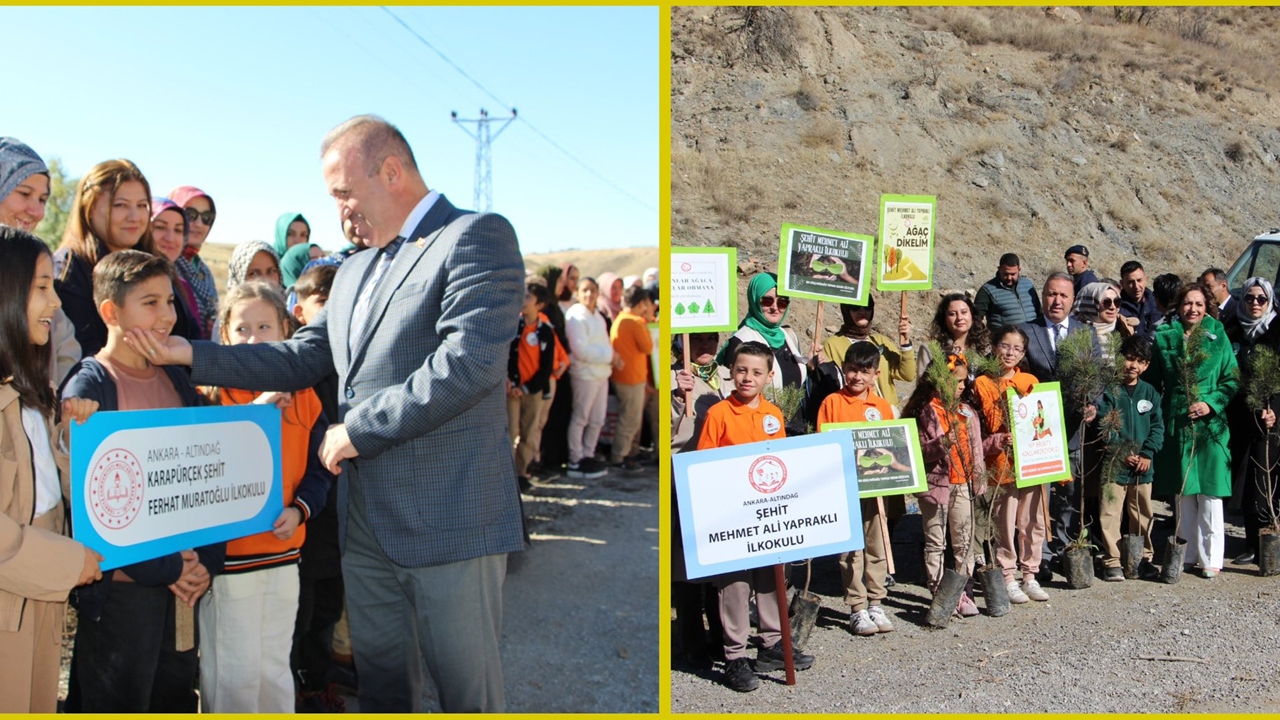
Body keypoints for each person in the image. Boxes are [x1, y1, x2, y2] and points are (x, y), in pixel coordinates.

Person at [131, 115, 524, 712]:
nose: (340, 211)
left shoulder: (474, 237)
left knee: (467, 694)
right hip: (366, 526)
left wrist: (356, 431)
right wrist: (187, 352)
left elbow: (466, 364)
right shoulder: (357, 269)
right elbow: (300, 357)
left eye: (344, 192)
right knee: (384, 686)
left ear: (391, 171)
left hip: (452, 520)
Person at [60, 251, 224, 712]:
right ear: (110, 311)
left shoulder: (178, 379)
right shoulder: (89, 389)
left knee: (172, 697)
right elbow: (97, 509)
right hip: (125, 593)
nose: (167, 315)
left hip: (184, 588)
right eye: (149, 302)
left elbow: (207, 474)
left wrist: (205, 563)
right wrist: (172, 568)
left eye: (170, 301)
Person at [198, 282, 333, 713]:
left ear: (286, 333)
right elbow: (207, 467)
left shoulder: (307, 397)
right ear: (224, 335)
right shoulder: (210, 396)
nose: (253, 340)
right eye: (242, 329)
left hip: (284, 554)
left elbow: (319, 470)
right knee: (233, 672)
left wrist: (300, 511)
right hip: (229, 562)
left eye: (264, 328)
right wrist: (256, 411)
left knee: (274, 667)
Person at [0, 226, 102, 713]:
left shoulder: (30, 391)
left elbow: (41, 487)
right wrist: (67, 562)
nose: (56, 304)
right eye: (41, 287)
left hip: (39, 591)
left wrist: (66, 438)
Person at [697, 341, 814, 692]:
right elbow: (703, 466)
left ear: (769, 376)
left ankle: (771, 644)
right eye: (741, 370)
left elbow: (777, 463)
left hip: (766, 515)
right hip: (732, 516)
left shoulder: (773, 416)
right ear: (731, 371)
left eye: (756, 372)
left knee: (770, 577)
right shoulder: (719, 413)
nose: (748, 377)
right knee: (734, 585)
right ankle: (734, 655)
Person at [286, 262, 349, 711]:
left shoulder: (354, 356)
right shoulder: (294, 365)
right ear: (300, 310)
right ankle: (297, 687)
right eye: (323, 303)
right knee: (300, 615)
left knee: (328, 607)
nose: (333, 313)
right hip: (305, 510)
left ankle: (318, 679)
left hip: (339, 515)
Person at [1146, 283, 1238, 579]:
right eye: (1187, 303)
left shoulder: (1218, 335)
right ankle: (1186, 552)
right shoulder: (1164, 337)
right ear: (1179, 305)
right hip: (1178, 421)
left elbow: (1231, 380)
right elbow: (1152, 381)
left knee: (1210, 491)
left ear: (1207, 306)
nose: (1193, 309)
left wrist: (1210, 403)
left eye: (1199, 304)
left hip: (1211, 425)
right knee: (1182, 491)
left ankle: (1212, 557)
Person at [1018, 272, 1098, 575]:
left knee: (1068, 492)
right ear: (1042, 297)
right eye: (1052, 294)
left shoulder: (1084, 332)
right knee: (1040, 493)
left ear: (1072, 299)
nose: (1057, 300)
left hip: (1074, 427)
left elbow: (1097, 374)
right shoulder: (1027, 331)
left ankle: (1065, 547)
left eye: (1063, 295)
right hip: (1039, 430)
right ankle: (1039, 555)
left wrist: (1093, 404)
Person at [816, 341, 897, 635]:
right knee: (850, 550)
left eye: (864, 372)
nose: (857, 378)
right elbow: (823, 444)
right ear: (843, 369)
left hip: (875, 490)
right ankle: (857, 607)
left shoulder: (882, 406)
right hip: (844, 488)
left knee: (876, 545)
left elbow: (892, 447)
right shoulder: (832, 403)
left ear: (875, 374)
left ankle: (876, 602)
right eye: (851, 370)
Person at [904, 351, 986, 617]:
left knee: (963, 542)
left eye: (964, 381)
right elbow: (919, 453)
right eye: (957, 381)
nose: (962, 386)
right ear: (939, 379)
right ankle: (939, 593)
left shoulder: (967, 411)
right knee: (936, 542)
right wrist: (944, 443)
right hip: (936, 485)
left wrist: (978, 479)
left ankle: (960, 591)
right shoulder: (925, 411)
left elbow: (976, 449)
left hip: (962, 484)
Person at [972, 325, 1049, 603]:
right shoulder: (983, 382)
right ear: (994, 348)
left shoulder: (1031, 379)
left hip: (1031, 461)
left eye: (1017, 348)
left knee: (1032, 520)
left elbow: (1043, 416)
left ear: (1024, 353)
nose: (1010, 353)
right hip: (1001, 464)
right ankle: (1007, 576)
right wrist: (1009, 394)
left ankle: (1030, 574)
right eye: (1005, 346)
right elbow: (992, 422)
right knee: (1005, 522)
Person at [55, 159, 157, 358]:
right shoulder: (68, 271)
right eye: (120, 205)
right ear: (90, 208)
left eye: (142, 205)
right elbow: (78, 355)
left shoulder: (154, 265)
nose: (134, 216)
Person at [0, 137, 82, 386]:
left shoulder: (38, 270)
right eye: (24, 193)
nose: (37, 211)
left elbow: (67, 357)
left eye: (42, 200)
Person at [670, 332, 730, 671]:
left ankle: (723, 639)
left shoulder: (727, 375)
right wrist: (679, 400)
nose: (705, 344)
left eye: (712, 338)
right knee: (686, 570)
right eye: (698, 338)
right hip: (683, 481)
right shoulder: (672, 378)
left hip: (721, 481)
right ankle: (693, 644)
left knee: (717, 567)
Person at [1085, 335, 1164, 581]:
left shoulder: (1149, 393)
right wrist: (1119, 451)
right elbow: (1104, 425)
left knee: (1142, 513)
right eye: (1129, 359)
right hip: (1114, 466)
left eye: (1140, 361)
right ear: (1120, 359)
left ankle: (1142, 558)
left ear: (1147, 366)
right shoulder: (1109, 391)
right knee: (1110, 512)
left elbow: (1157, 426)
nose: (1133, 365)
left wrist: (1147, 453)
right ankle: (1112, 560)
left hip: (1143, 468)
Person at [1220, 277, 1280, 566]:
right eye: (1249, 298)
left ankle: (1271, 540)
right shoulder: (1233, 331)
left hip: (1272, 420)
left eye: (1261, 299)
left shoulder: (1277, 332)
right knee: (1246, 483)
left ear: (1270, 302)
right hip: (1241, 418)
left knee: (1267, 481)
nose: (1255, 304)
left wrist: (1275, 412)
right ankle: (1252, 543)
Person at [716, 273, 808, 406]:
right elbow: (735, 391)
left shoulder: (786, 335)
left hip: (793, 423)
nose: (775, 307)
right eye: (767, 301)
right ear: (754, 300)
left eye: (782, 302)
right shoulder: (741, 341)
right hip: (759, 421)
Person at [819, 296, 915, 406]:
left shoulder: (880, 341)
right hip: (853, 414)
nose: (862, 311)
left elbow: (908, 375)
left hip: (886, 416)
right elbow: (828, 385)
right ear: (846, 310)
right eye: (855, 306)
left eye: (867, 306)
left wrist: (905, 343)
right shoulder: (832, 344)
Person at [565, 277, 617, 479]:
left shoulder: (598, 315)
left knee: (597, 419)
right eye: (585, 290)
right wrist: (610, 356)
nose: (589, 294)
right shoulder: (575, 315)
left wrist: (607, 356)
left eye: (593, 290)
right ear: (577, 293)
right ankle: (575, 458)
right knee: (581, 417)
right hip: (584, 375)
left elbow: (602, 344)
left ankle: (588, 453)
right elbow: (580, 350)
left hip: (601, 374)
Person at [508, 284, 556, 490]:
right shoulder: (512, 327)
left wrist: (527, 388)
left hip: (533, 391)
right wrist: (510, 382)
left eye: (529, 297)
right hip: (511, 390)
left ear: (540, 305)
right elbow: (507, 357)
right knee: (510, 432)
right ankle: (505, 475)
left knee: (528, 433)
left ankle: (521, 473)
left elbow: (546, 367)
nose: (523, 300)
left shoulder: (546, 332)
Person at [610, 284, 656, 470]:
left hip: (624, 377)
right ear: (639, 303)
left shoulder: (621, 319)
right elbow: (648, 347)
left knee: (628, 417)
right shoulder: (634, 322)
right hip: (632, 379)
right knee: (630, 419)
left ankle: (624, 454)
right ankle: (619, 457)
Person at [150, 197, 205, 341]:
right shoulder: (128, 282)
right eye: (160, 227)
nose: (170, 238)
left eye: (178, 230)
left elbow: (197, 341)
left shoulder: (183, 287)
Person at [168, 186, 220, 337]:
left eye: (206, 218)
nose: (199, 224)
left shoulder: (203, 270)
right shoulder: (165, 265)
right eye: (190, 214)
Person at [917, 293, 990, 379]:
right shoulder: (930, 350)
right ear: (943, 319)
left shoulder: (984, 349)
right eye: (952, 314)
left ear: (972, 315)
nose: (959, 318)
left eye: (964, 312)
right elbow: (923, 388)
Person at [972, 253, 1042, 329]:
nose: (1009, 278)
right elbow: (975, 319)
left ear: (1019, 270)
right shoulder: (987, 291)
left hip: (1033, 336)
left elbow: (1039, 312)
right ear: (999, 269)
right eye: (1005, 274)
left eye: (1013, 274)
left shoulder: (1028, 285)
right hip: (1004, 339)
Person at [1073, 279, 1133, 359]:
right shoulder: (1073, 334)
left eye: (1116, 301)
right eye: (1106, 302)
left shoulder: (1119, 334)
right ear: (1091, 303)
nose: (1112, 307)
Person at [1119, 260, 1163, 339]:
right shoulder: (1115, 305)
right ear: (1122, 284)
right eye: (1131, 282)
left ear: (1145, 279)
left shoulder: (1156, 303)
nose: (1136, 286)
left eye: (1139, 280)